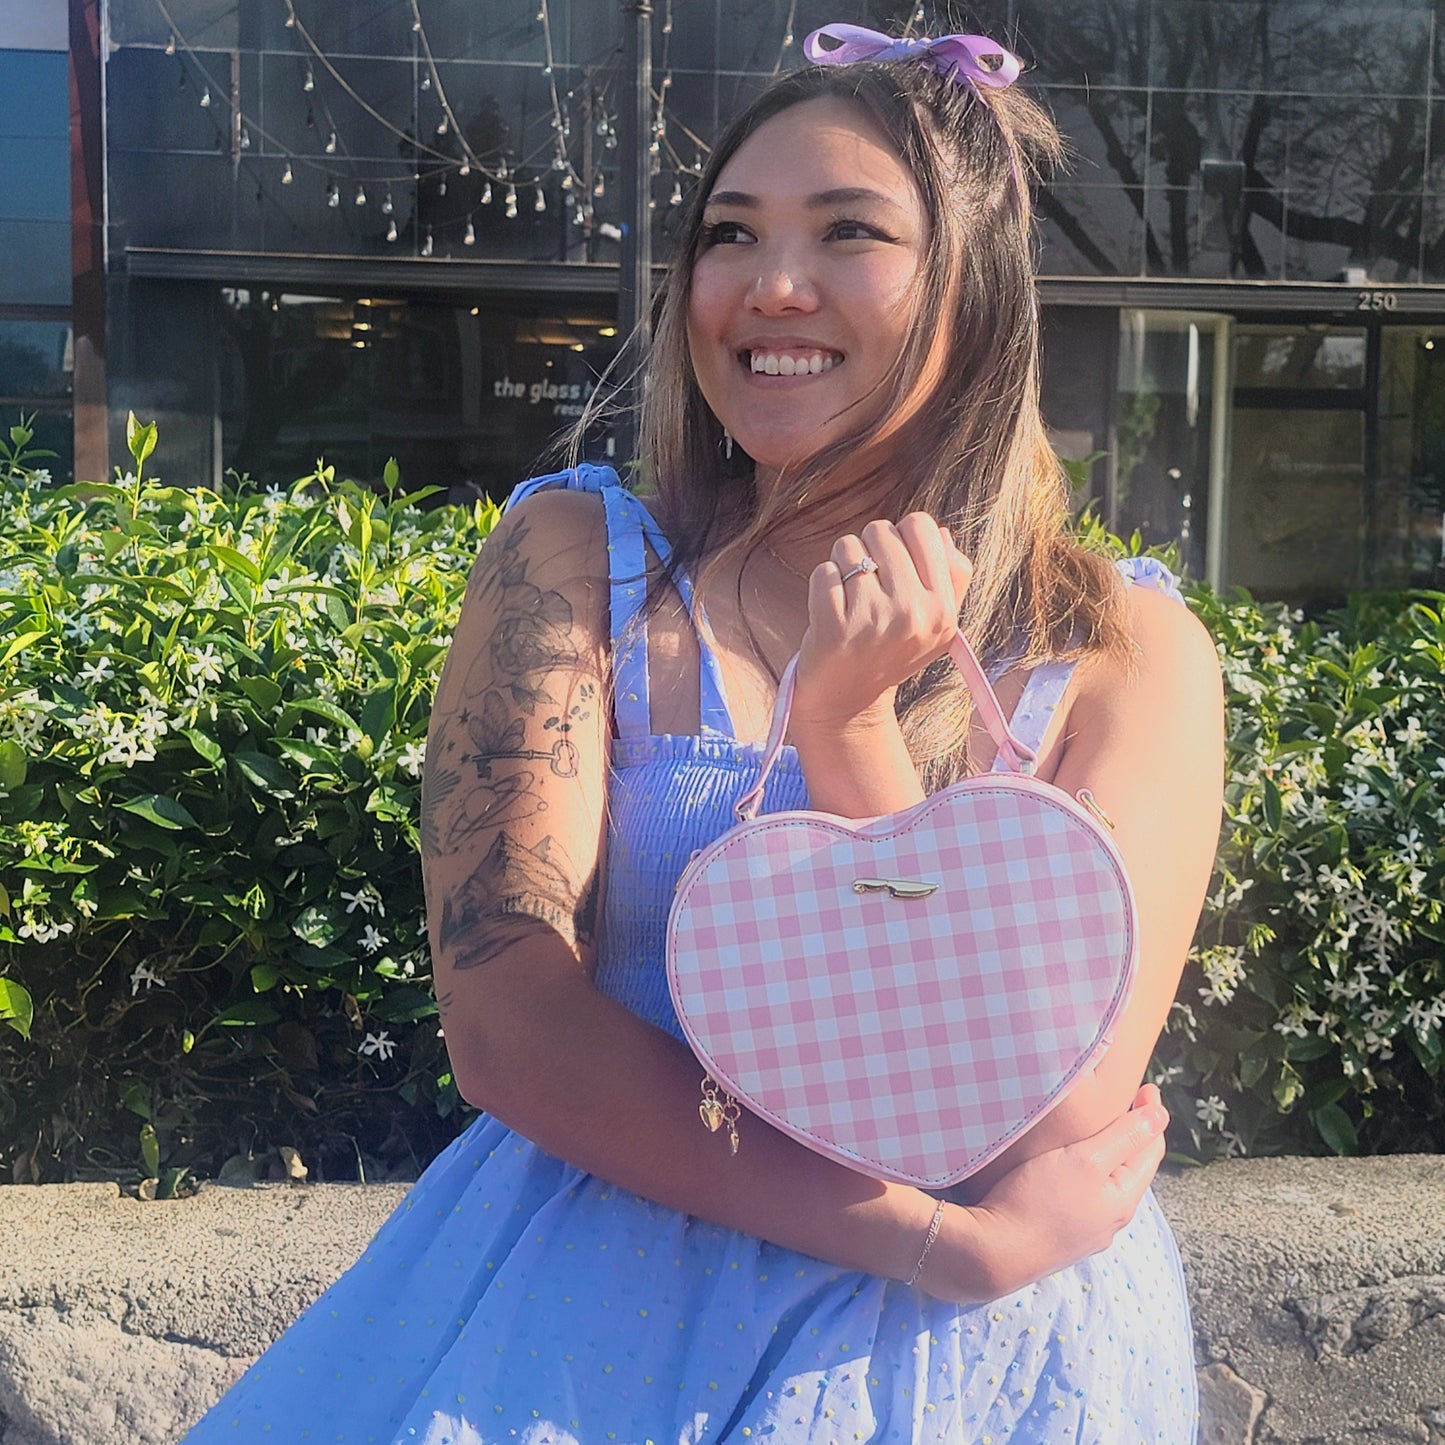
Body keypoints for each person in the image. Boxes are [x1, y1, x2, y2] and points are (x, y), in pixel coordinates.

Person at [183, 23, 1223, 1445]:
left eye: (848, 231)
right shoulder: (575, 562)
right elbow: (509, 1023)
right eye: (730, 233)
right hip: (597, 1324)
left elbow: (1034, 1117)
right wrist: (926, 1240)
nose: (769, 284)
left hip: (987, 1368)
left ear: (974, 286)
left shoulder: (1123, 653)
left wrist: (848, 729)